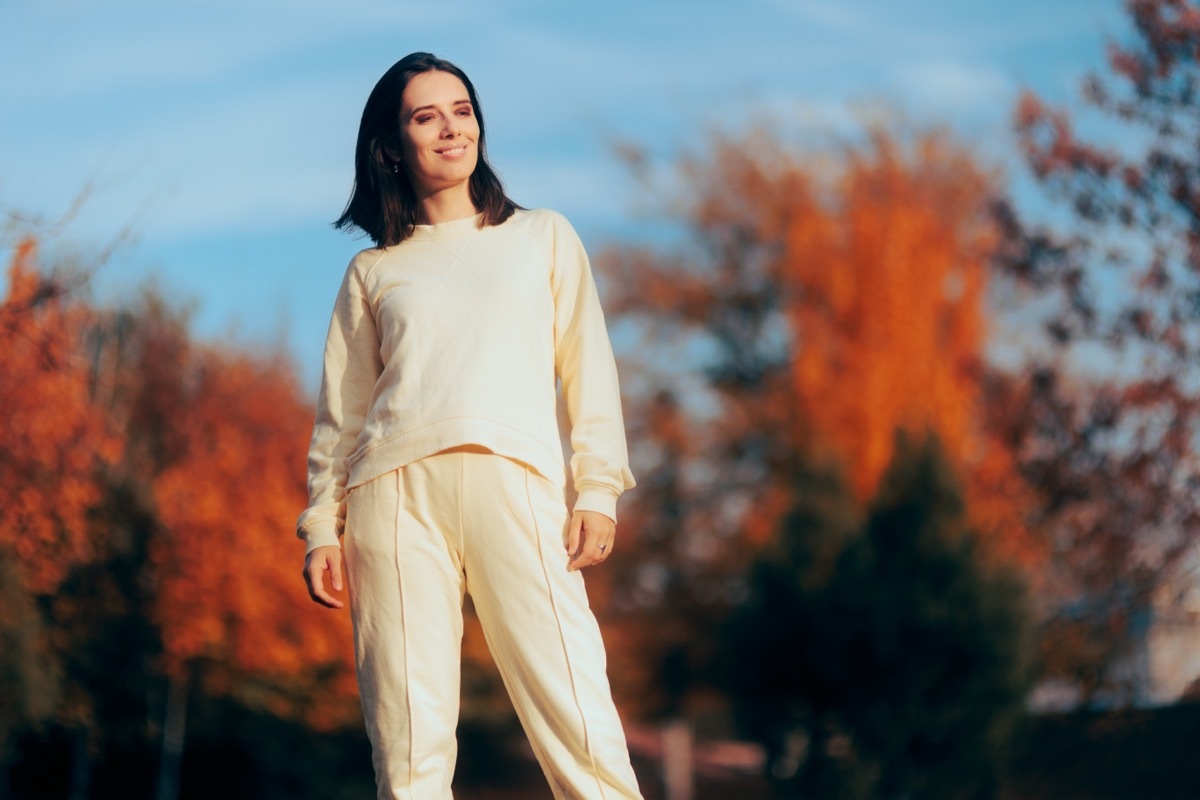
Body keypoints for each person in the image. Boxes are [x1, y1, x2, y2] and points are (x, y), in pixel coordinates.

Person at [296, 52, 644, 800]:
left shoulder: (542, 236)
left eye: (461, 109)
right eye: (426, 116)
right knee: (408, 740)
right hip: (392, 497)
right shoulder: (374, 272)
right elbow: (342, 415)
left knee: (577, 713)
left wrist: (599, 490)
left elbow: (589, 368)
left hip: (514, 481)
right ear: (393, 146)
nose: (451, 128)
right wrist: (322, 527)